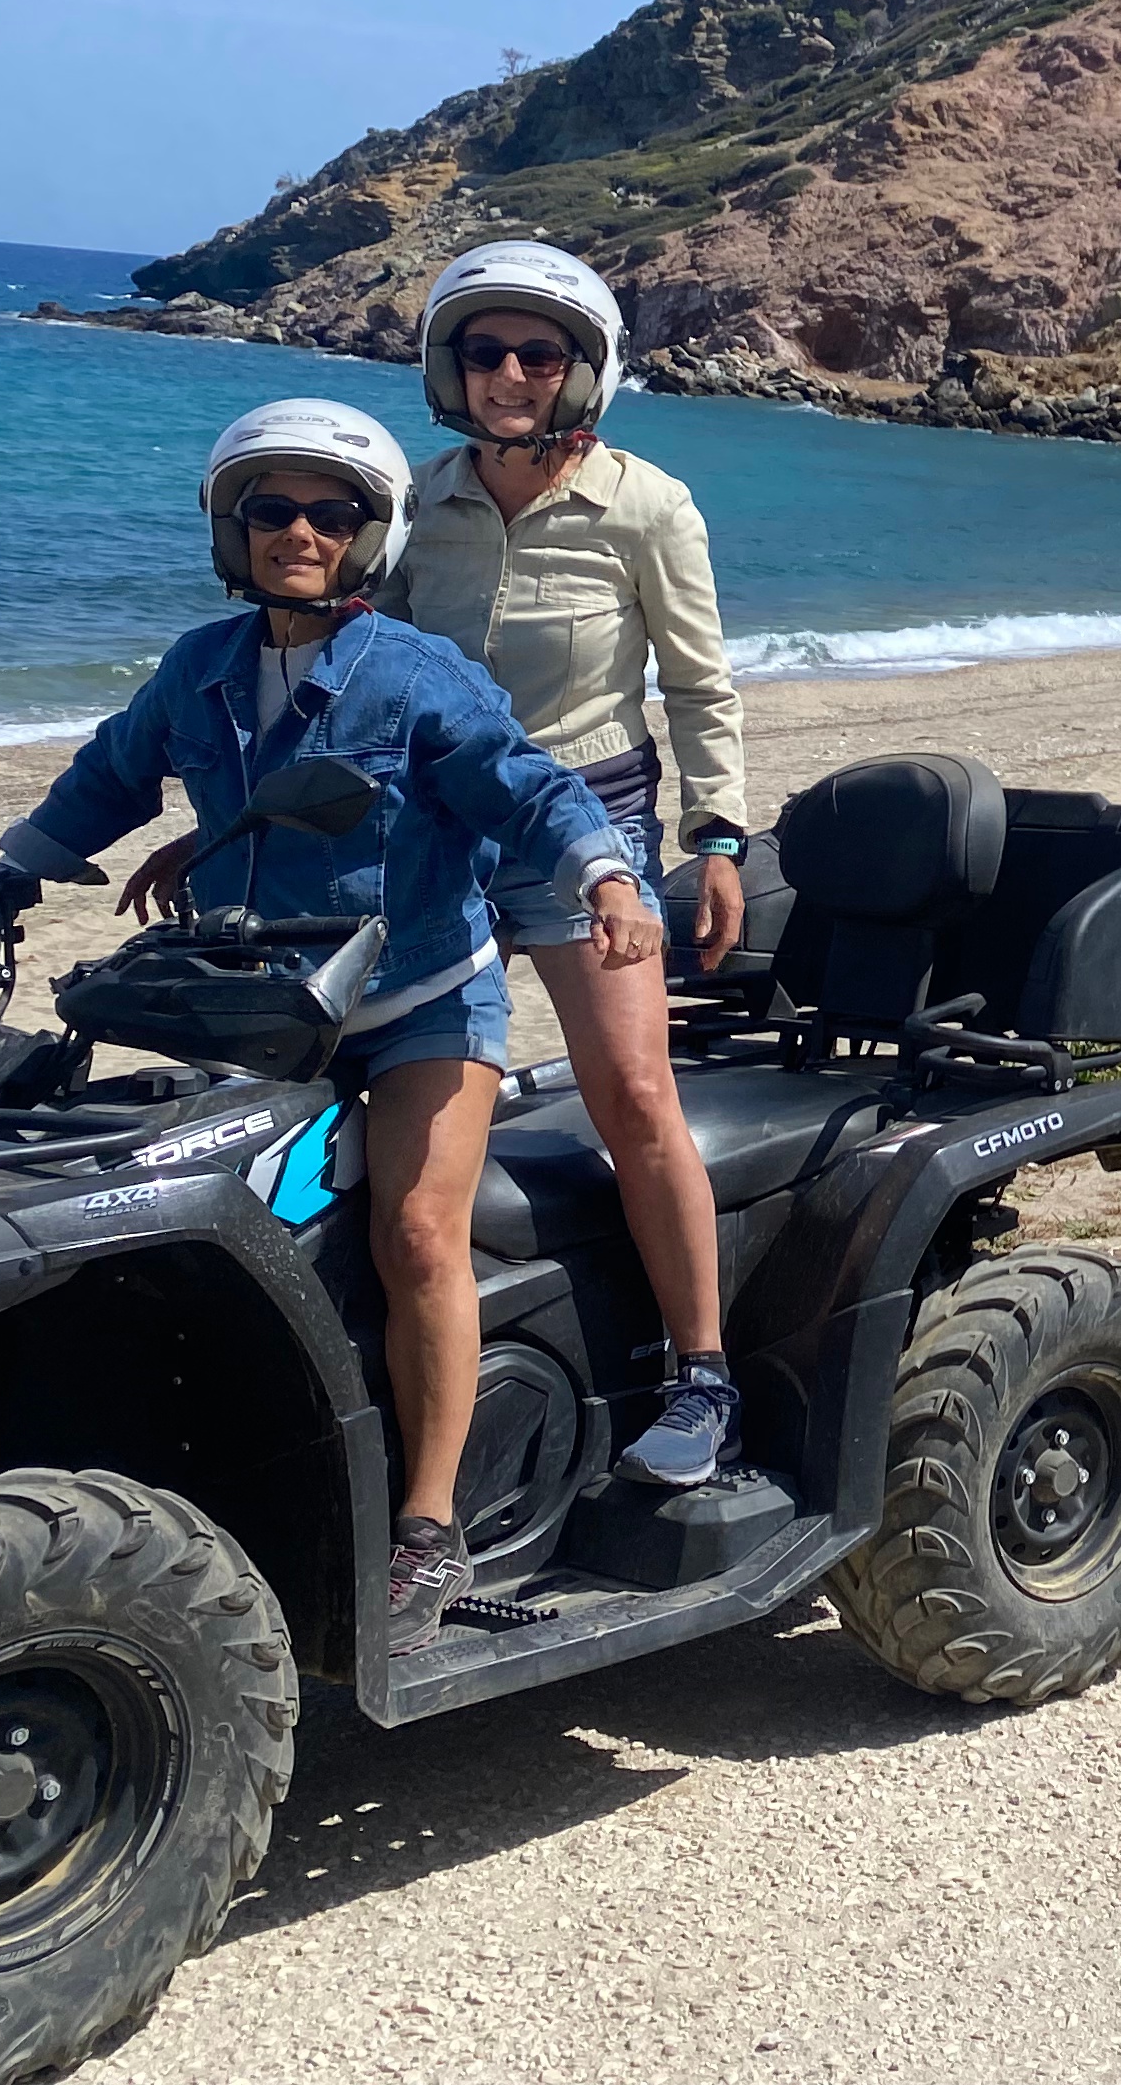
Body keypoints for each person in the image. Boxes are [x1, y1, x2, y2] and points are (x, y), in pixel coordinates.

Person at [0, 400, 642, 1655]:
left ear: (371, 534)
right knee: (182, 1214)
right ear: (231, 530)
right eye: (271, 510)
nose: (298, 532)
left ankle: (428, 1528)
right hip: (269, 1004)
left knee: (414, 1231)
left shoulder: (416, 675)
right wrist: (2, 874)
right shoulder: (200, 668)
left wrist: (606, 876)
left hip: (420, 1002)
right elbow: (108, 776)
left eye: (329, 512)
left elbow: (525, 786)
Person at [388, 241, 755, 1486]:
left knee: (635, 1097)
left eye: (538, 355)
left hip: (587, 824)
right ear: (452, 366)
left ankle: (702, 1374)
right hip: (438, 833)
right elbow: (361, 676)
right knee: (373, 1091)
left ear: (582, 373)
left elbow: (701, 688)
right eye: (484, 351)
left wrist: (715, 839)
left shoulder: (646, 505)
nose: (508, 375)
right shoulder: (415, 504)